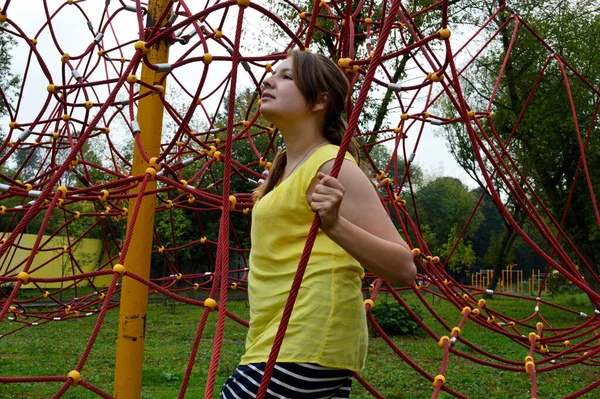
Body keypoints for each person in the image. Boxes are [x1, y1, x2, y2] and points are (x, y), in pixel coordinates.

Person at [220, 50, 417, 399]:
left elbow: (404, 267)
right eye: (272, 73)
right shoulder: (286, 169)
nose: (268, 80)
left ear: (319, 101)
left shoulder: (331, 166)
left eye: (286, 77)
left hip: (306, 337)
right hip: (278, 340)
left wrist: (336, 225)